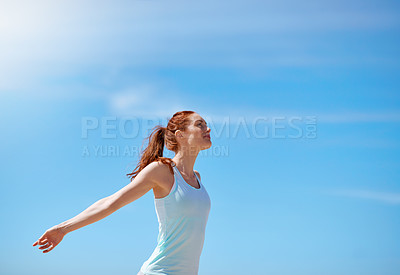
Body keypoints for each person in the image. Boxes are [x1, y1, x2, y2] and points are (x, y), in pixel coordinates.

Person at [33, 110, 212, 275]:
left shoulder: (197, 178)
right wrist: (62, 229)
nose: (208, 128)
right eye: (199, 124)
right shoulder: (162, 170)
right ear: (180, 135)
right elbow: (111, 202)